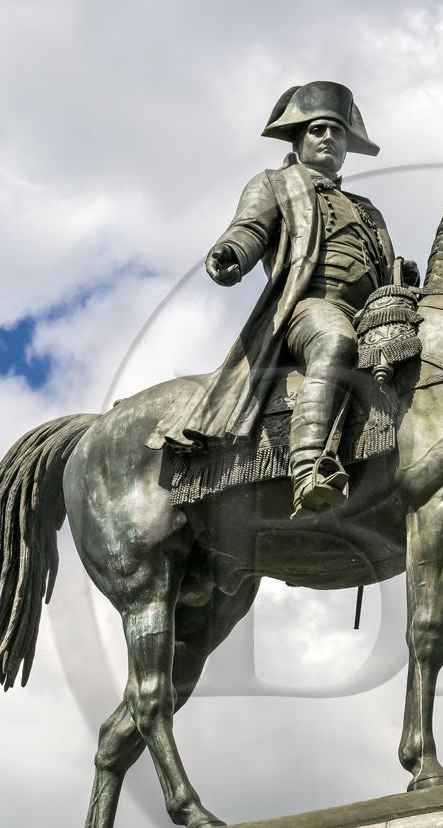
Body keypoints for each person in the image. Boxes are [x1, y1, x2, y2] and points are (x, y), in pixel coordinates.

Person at [145, 80, 411, 517]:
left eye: (337, 132)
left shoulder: (367, 209)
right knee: (336, 342)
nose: (328, 138)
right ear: (298, 138)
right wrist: (230, 253)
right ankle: (309, 471)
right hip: (309, 308)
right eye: (318, 130)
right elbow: (249, 228)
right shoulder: (276, 184)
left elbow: (381, 263)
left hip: (371, 314)